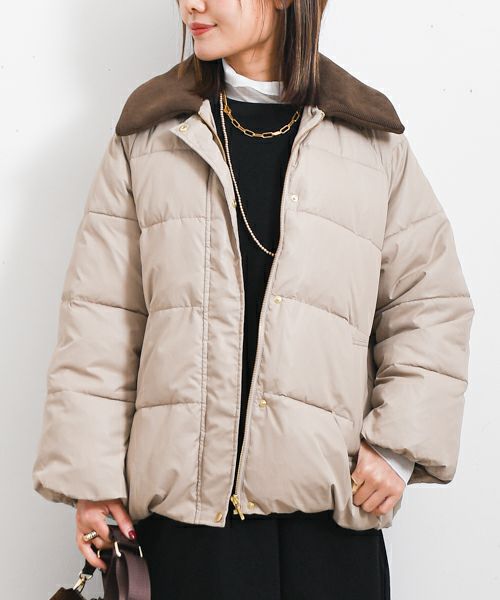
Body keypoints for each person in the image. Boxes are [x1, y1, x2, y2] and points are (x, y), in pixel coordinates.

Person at [32, 1, 475, 598]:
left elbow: (431, 301)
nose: (191, 5)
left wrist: (397, 447)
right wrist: (92, 480)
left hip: (329, 529)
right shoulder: (150, 135)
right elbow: (101, 319)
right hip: (190, 536)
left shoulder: (370, 139)